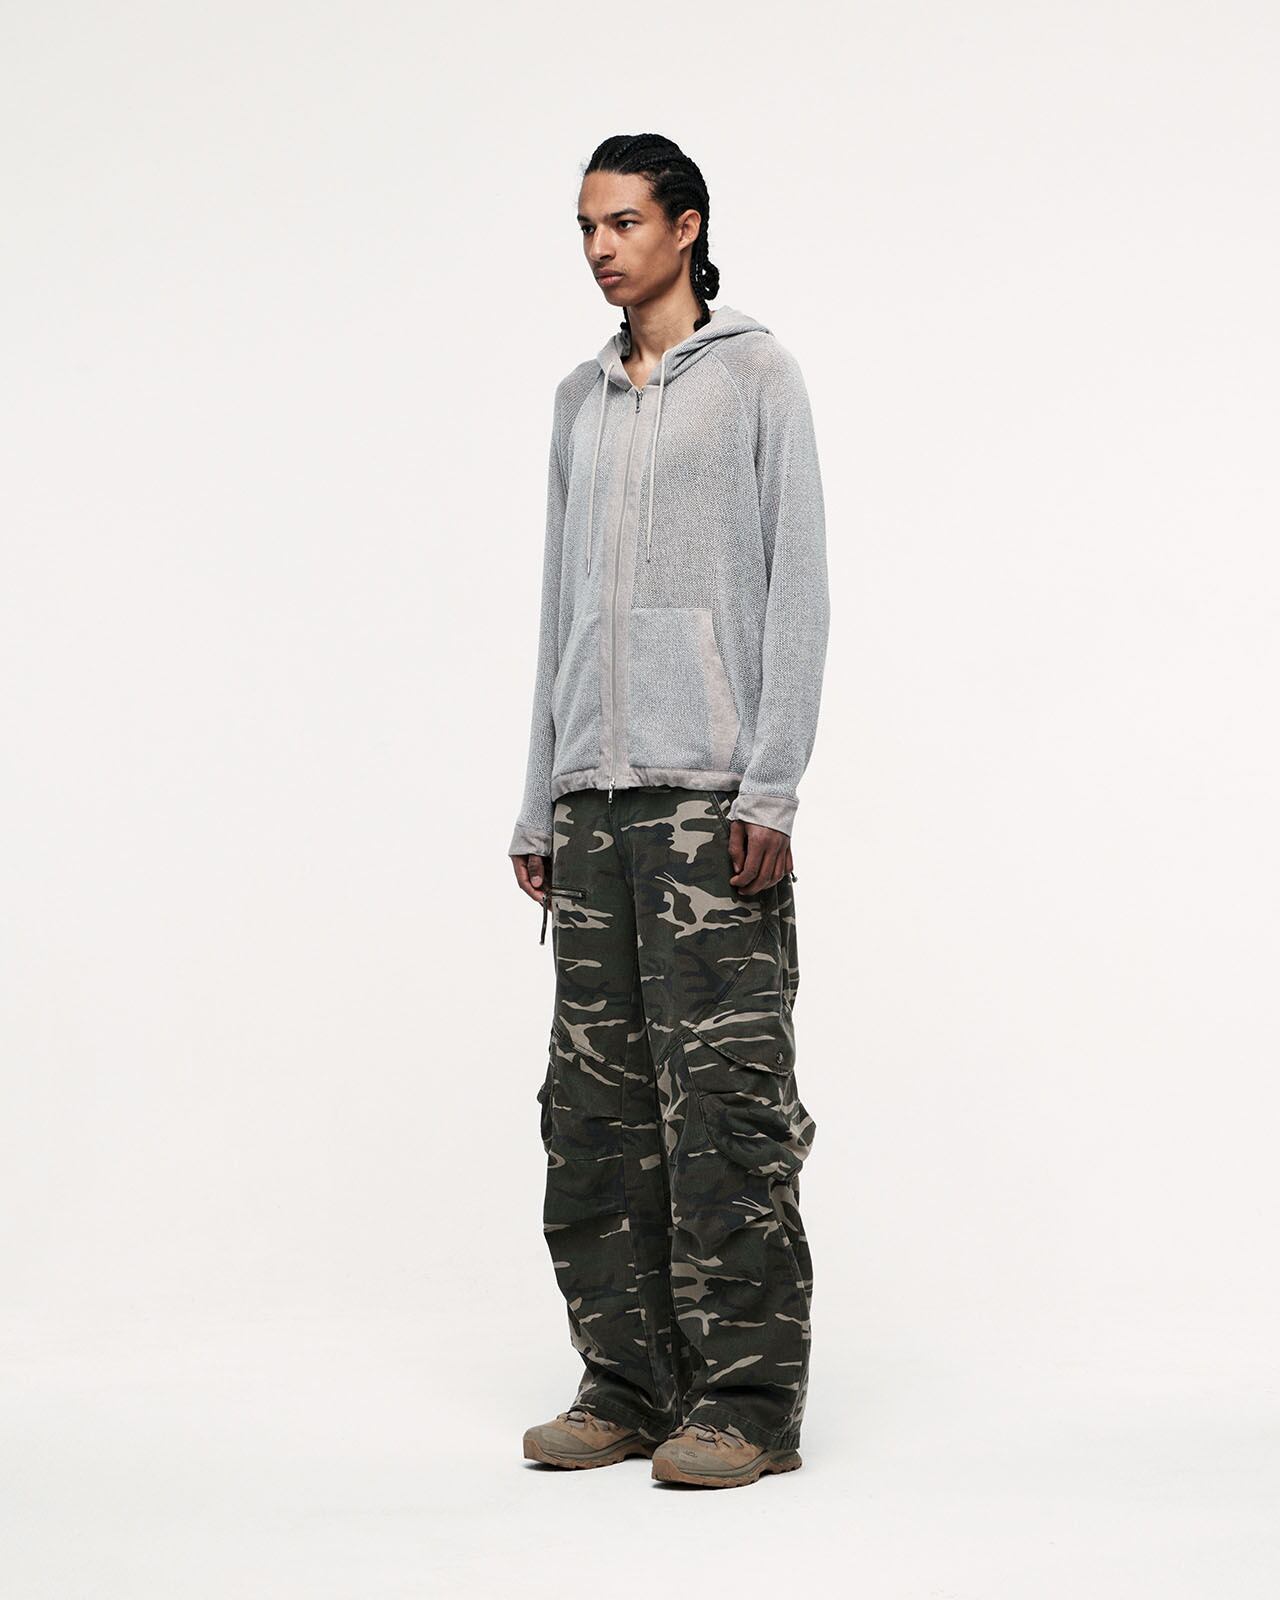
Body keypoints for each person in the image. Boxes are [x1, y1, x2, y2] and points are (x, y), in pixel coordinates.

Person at [508, 133, 830, 1490]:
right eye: (587, 226)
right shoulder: (578, 401)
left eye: (625, 222)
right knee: (595, 1111)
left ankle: (747, 1403)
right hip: (591, 805)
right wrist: (539, 797)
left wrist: (773, 783)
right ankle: (626, 1385)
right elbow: (557, 610)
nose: (601, 248)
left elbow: (799, 589)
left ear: (686, 227)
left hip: (712, 804)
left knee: (727, 1109)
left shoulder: (756, 376)